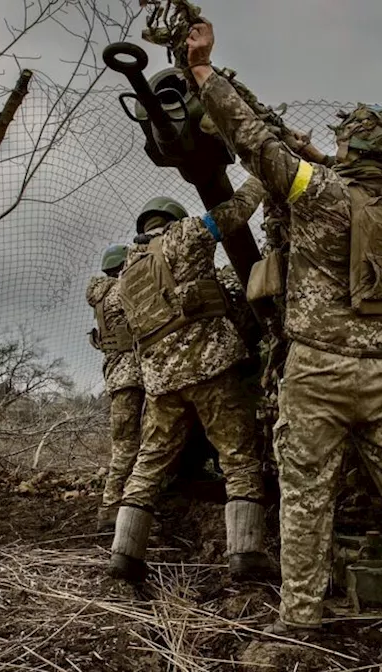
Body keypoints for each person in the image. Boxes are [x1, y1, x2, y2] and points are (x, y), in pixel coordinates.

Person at [185, 19, 382, 634]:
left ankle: (300, 616)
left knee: (306, 493)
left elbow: (250, 141)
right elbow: (343, 177)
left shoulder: (316, 194)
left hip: (318, 371)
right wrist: (324, 155)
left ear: (350, 151)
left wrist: (204, 70)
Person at [107, 181, 278, 584]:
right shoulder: (184, 235)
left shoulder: (127, 269)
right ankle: (246, 554)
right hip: (209, 368)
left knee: (148, 464)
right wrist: (259, 175)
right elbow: (233, 214)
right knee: (238, 458)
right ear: (172, 219)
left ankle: (124, 556)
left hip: (161, 382)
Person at [87, 244, 146, 532]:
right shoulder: (120, 292)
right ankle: (113, 507)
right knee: (129, 446)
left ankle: (115, 505)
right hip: (132, 375)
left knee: (126, 443)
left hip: (117, 377)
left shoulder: (100, 296)